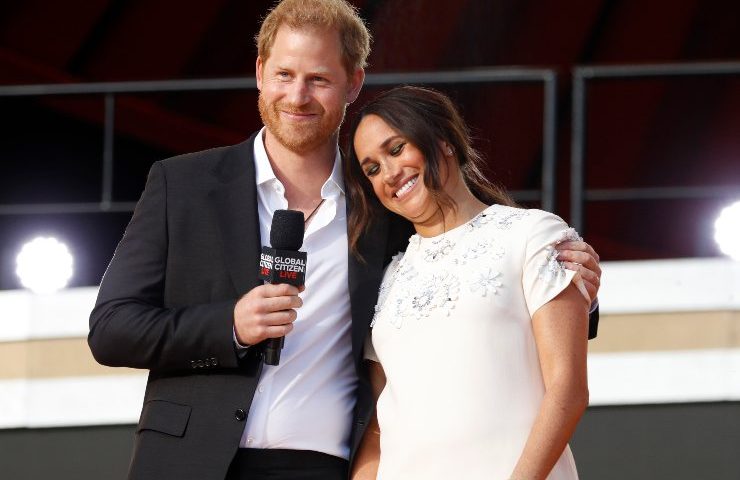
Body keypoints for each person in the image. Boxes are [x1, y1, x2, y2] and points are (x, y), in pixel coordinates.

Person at [88, 1, 601, 479]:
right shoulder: (184, 184)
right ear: (261, 71)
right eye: (285, 75)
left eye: (319, 79)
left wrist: (571, 284)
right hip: (192, 462)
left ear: (353, 83)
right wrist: (231, 326)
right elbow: (111, 329)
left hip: (326, 467)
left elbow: (465, 258)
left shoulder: (382, 201)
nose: (297, 95)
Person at [346, 86, 591, 480]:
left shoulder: (533, 234)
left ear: (443, 141)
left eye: (396, 149)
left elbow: (567, 390)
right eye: (372, 168)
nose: (389, 173)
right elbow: (377, 426)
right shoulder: (386, 277)